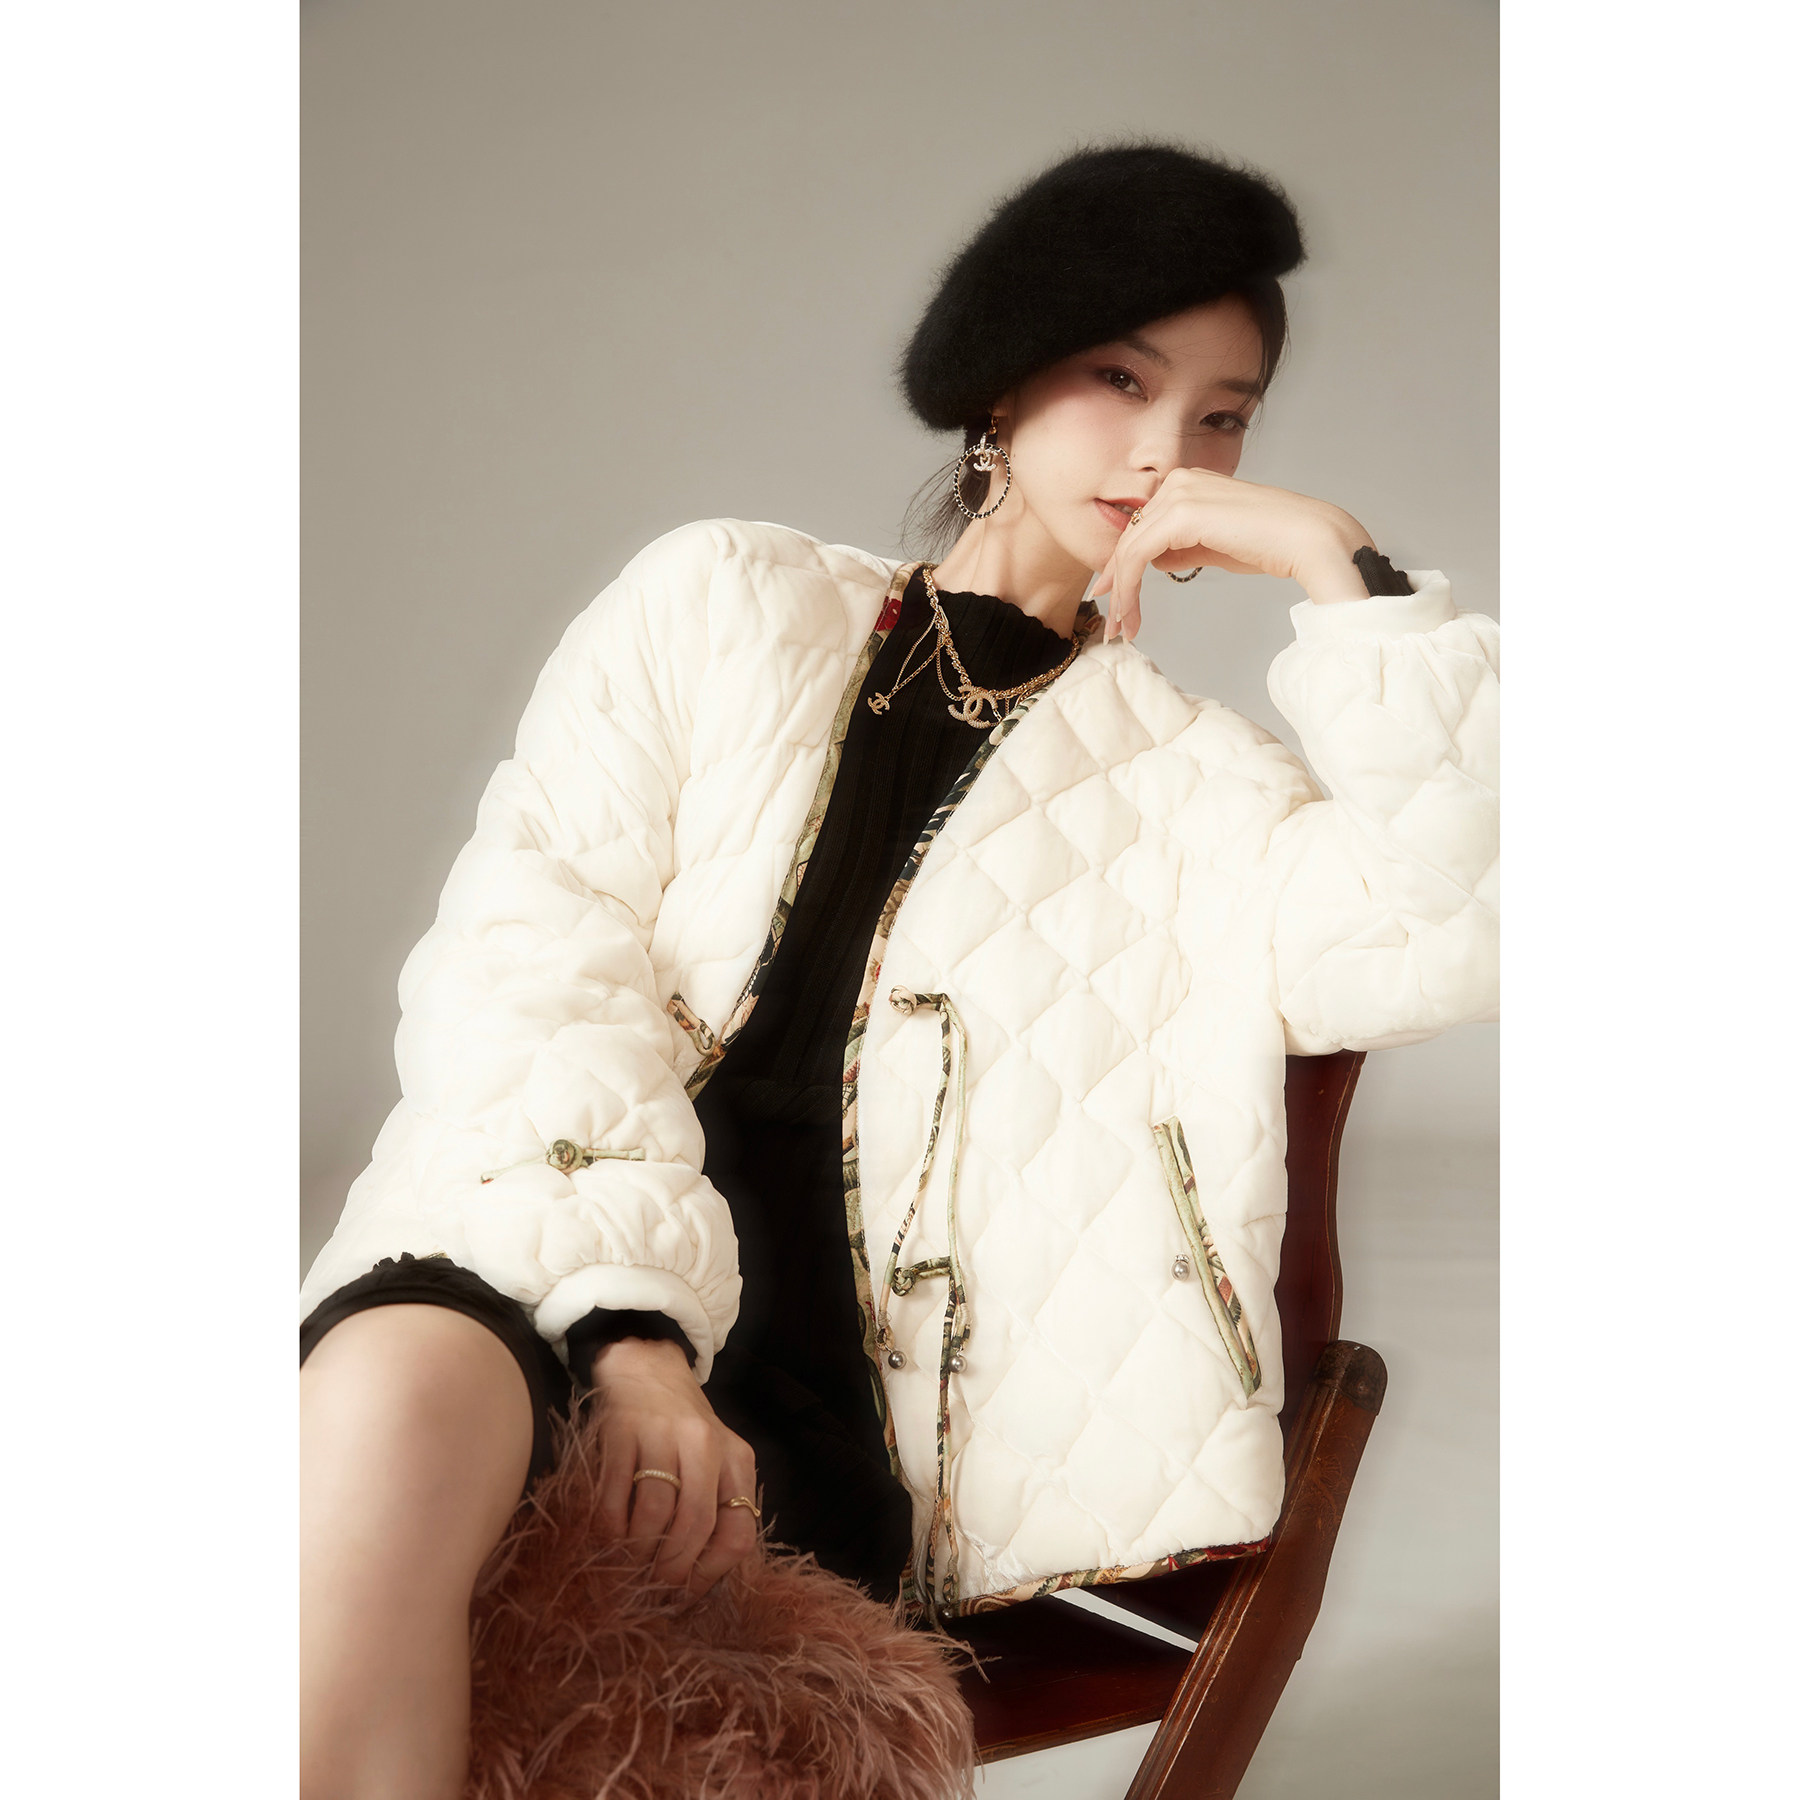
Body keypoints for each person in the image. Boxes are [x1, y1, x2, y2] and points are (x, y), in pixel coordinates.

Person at [300, 140, 1499, 1798]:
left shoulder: (1204, 788)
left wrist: (1345, 576)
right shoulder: (717, 602)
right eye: (1120, 379)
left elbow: (1460, 924)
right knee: (384, 1385)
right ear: (1001, 383)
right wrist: (631, 1336)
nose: (1168, 450)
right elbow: (528, 962)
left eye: (1225, 417)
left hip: (839, 1414)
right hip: (547, 1257)